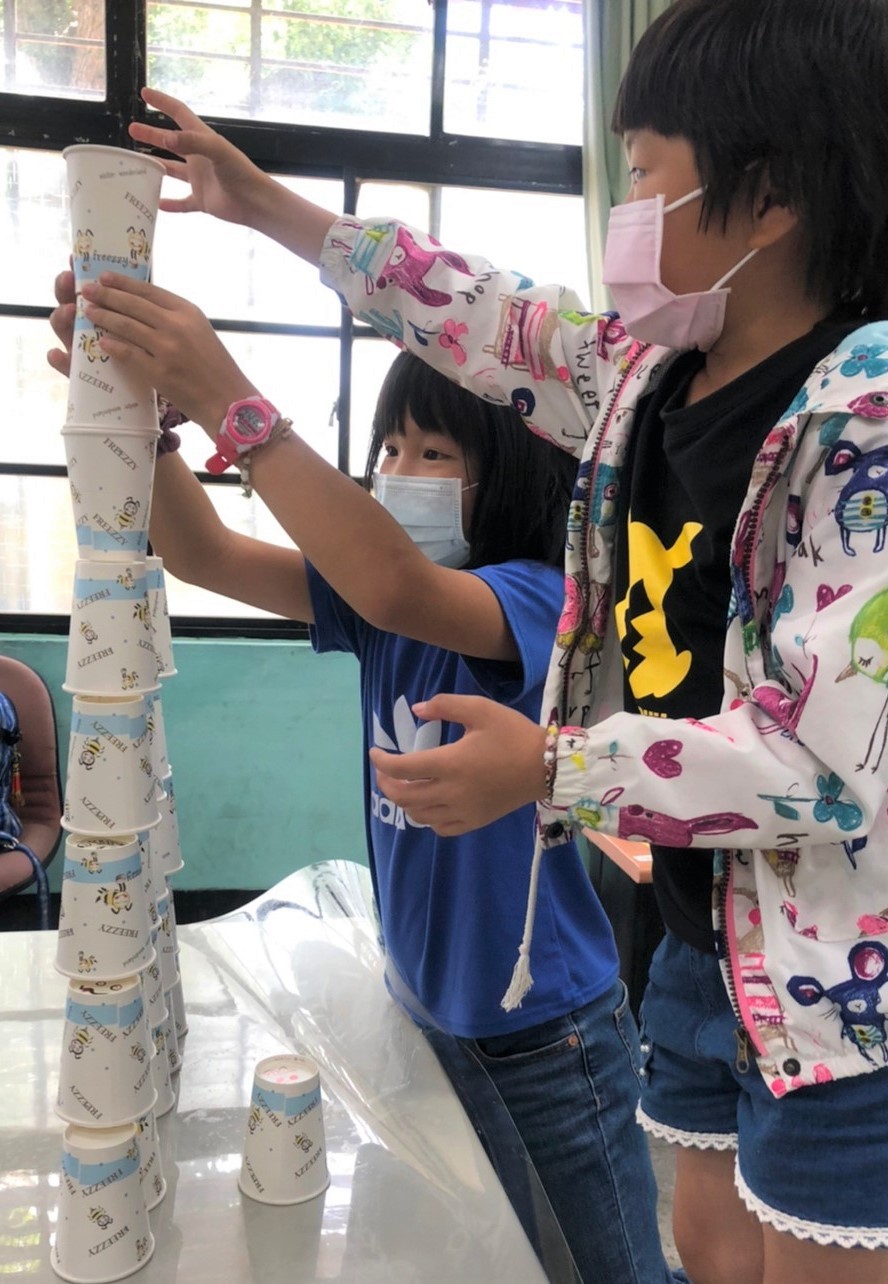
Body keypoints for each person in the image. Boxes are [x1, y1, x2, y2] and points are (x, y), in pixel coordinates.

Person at [81, 0, 888, 1279]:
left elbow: (826, 766)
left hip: (841, 979)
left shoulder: (862, 424)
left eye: (646, 174)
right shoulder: (646, 379)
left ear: (772, 194)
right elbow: (472, 312)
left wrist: (555, 769)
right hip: (705, 934)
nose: (627, 210)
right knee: (705, 1245)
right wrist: (260, 204)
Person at [49, 282, 682, 1284]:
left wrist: (228, 402)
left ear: (515, 473)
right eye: (390, 448)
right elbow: (202, 552)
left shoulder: (534, 598)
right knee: (486, 1257)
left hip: (549, 1041)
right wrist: (148, 426)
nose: (399, 473)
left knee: (612, 1269)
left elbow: (395, 583)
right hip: (429, 1016)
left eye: (436, 454)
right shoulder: (373, 610)